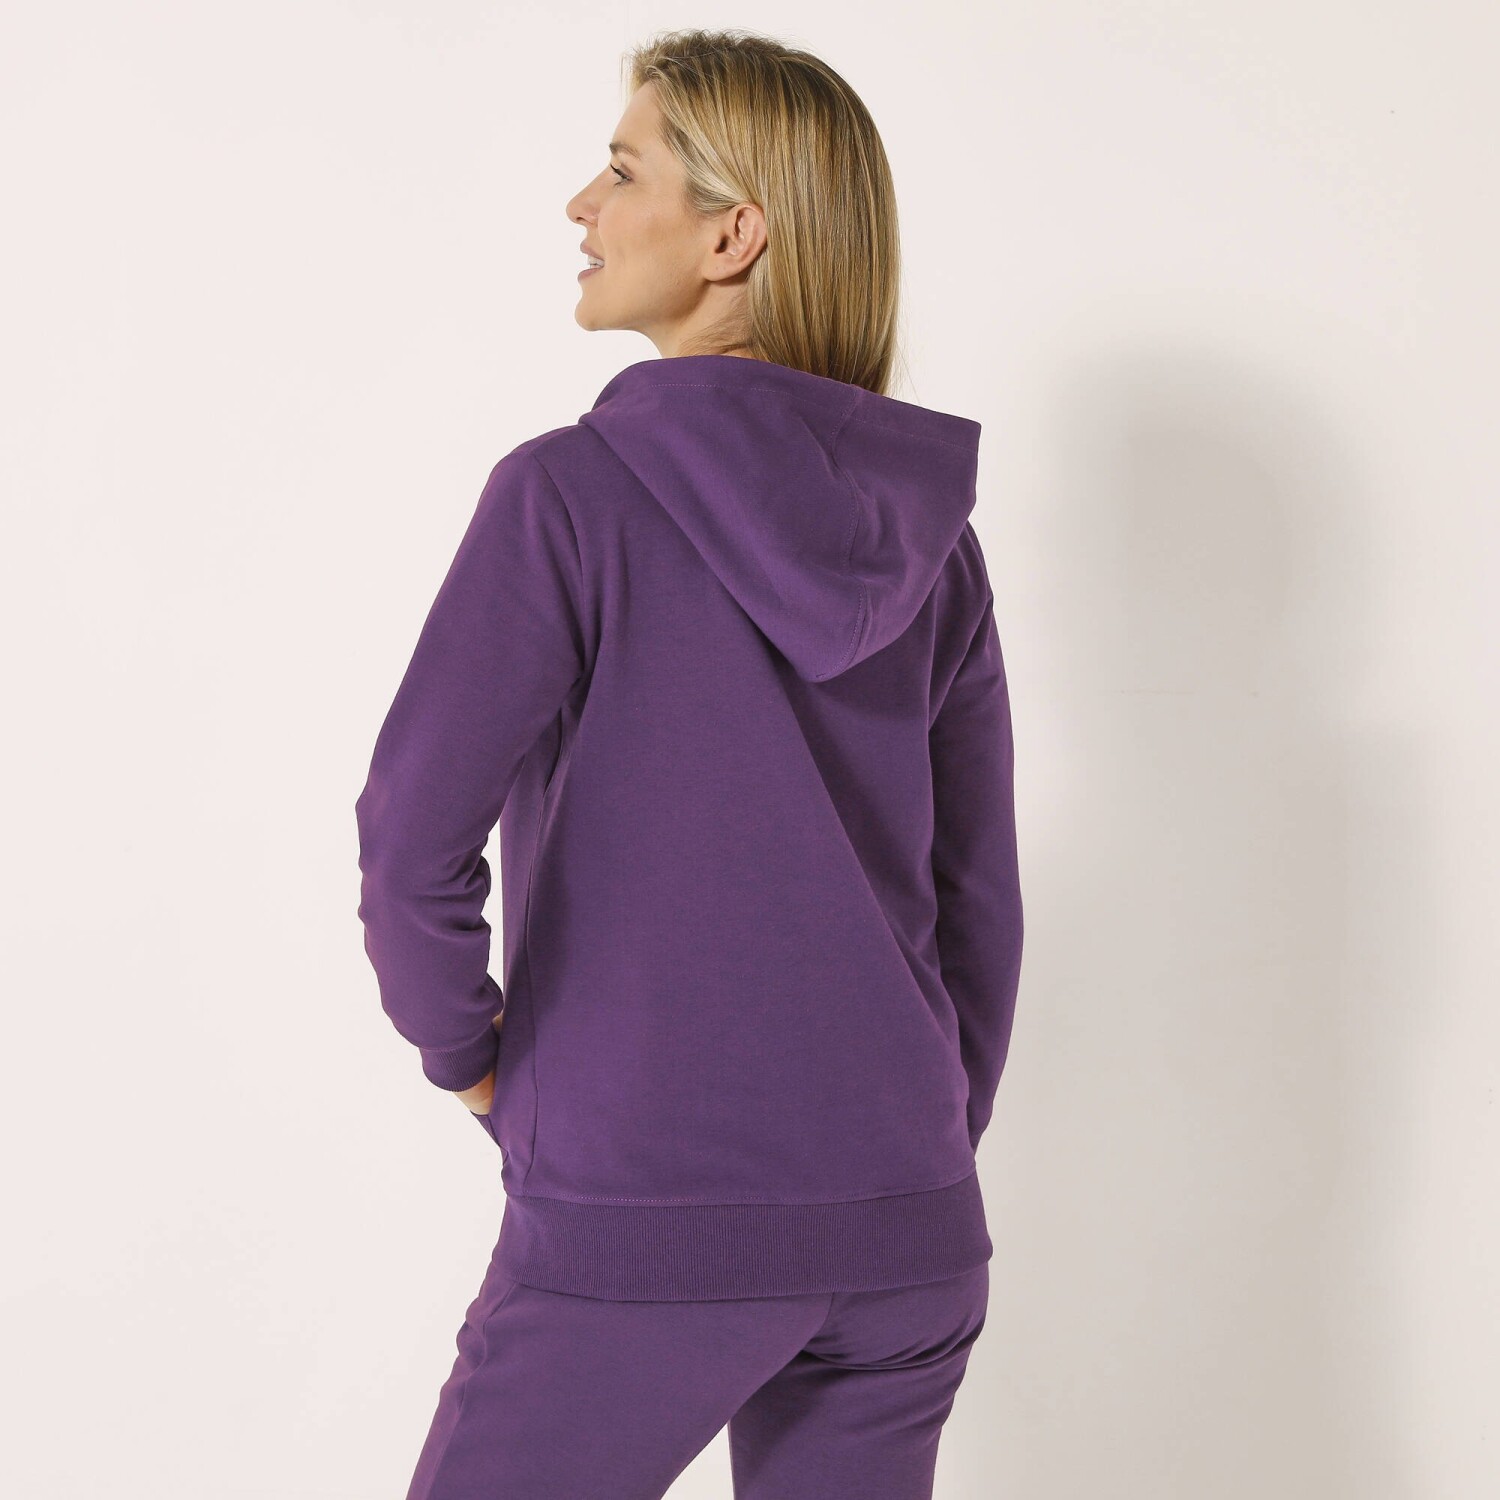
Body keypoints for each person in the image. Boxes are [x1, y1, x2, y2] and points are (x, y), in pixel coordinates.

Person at [354, 27, 1024, 1500]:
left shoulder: (569, 498)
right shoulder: (938, 543)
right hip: (908, 1234)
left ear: (733, 235)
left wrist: (474, 1060)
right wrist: (916, 1134)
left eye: (622, 169)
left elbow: (409, 838)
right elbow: (979, 899)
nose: (581, 206)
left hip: (642, 1227)